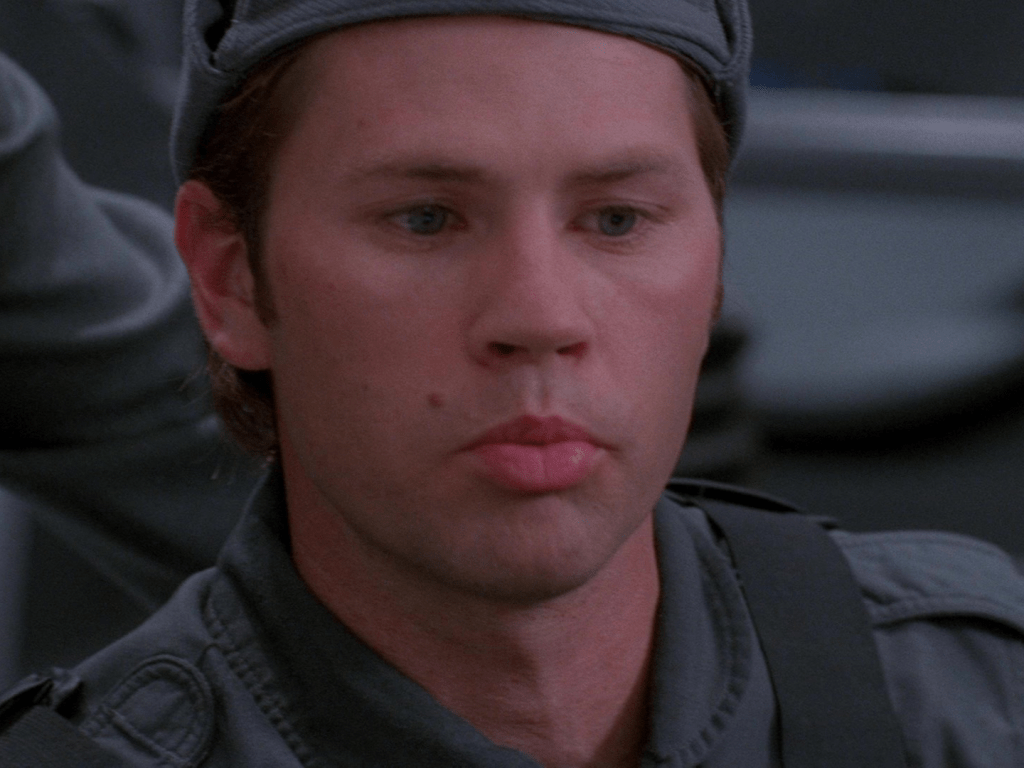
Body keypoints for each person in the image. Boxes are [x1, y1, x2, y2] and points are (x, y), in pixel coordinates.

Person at [2, 1, 1024, 766]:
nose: (539, 314)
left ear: (717, 263)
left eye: (616, 219)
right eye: (424, 219)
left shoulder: (971, 695)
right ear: (229, 278)